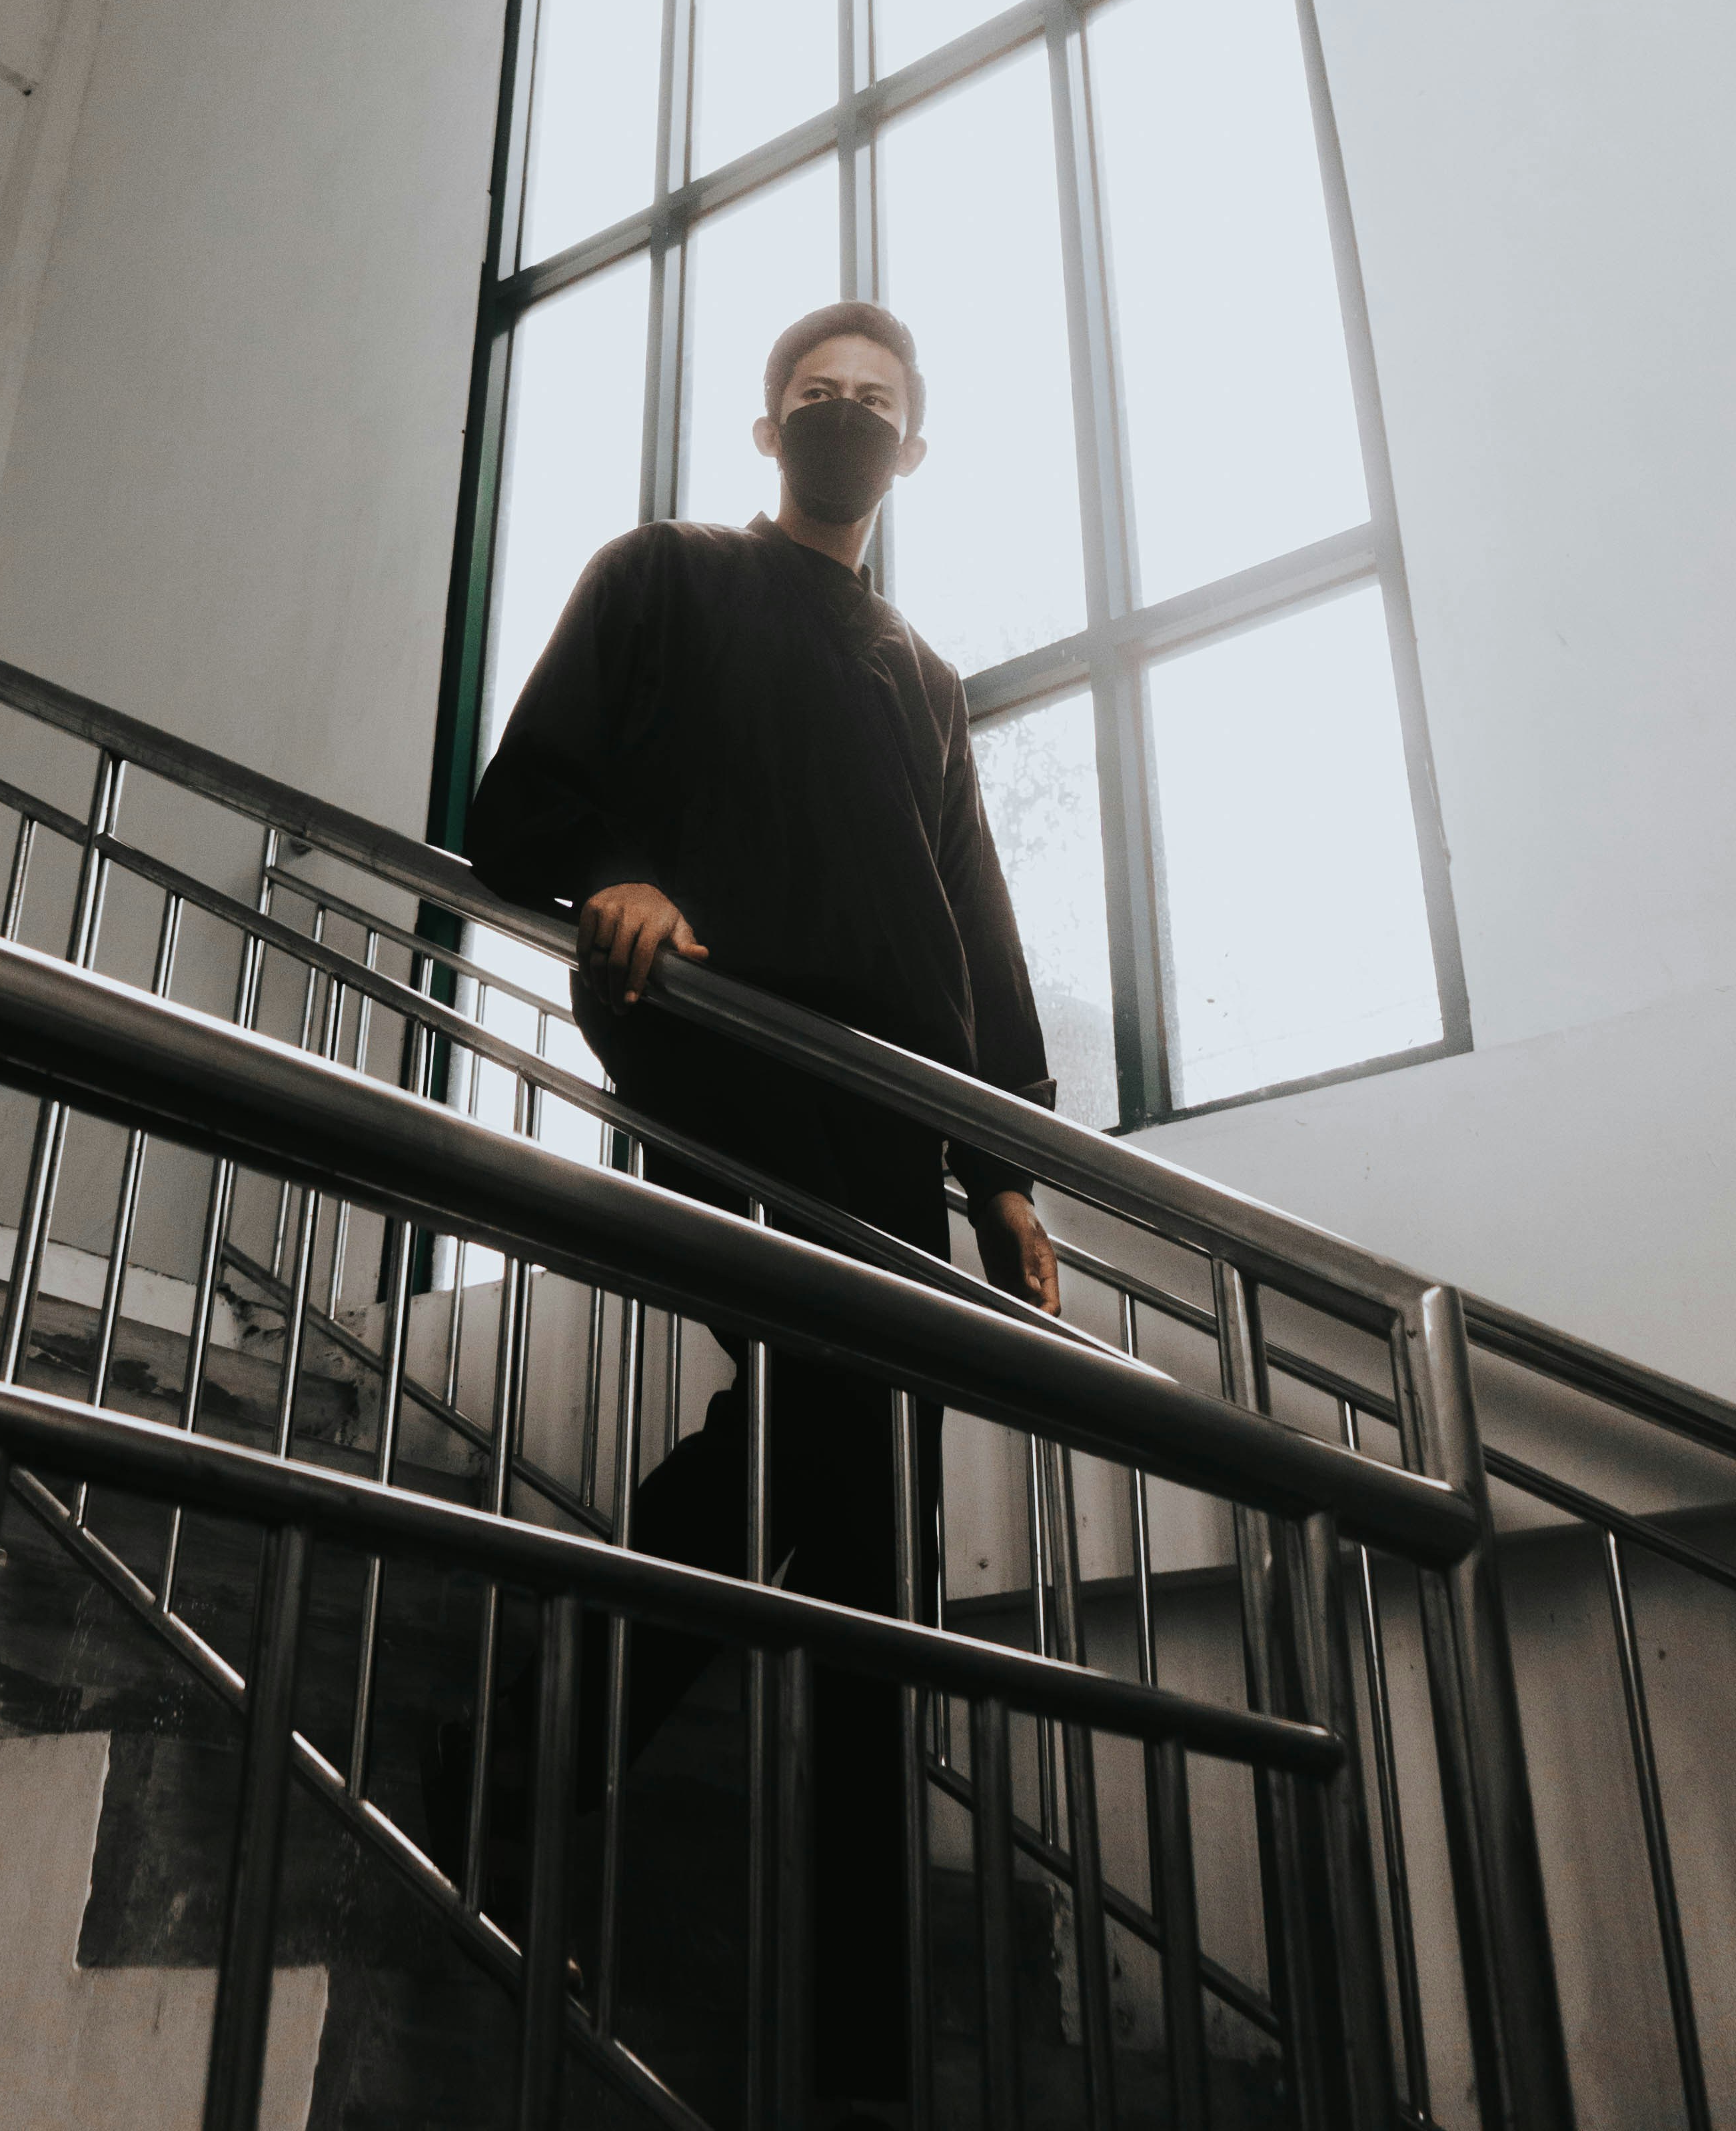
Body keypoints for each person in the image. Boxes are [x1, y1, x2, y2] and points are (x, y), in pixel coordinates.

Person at [460, 299, 1060, 2125]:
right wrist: (611, 878)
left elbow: (970, 928)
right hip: (716, 1041)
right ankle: (512, 1790)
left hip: (892, 1111)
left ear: (915, 448)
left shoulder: (925, 677)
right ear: (769, 421)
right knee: (834, 1444)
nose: (848, 411)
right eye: (822, 391)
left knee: (862, 1498)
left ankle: (836, 2028)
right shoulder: (664, 574)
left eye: (880, 399)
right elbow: (531, 799)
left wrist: (1005, 1165)